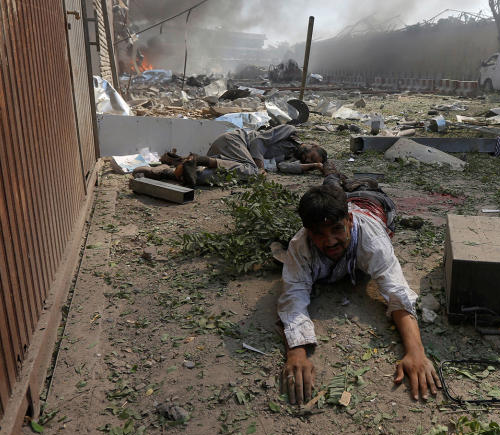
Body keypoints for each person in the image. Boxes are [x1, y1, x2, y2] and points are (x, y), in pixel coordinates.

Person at [277, 177, 439, 404]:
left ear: (350, 221)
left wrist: (416, 352)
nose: (330, 241)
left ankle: (352, 183)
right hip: (349, 203)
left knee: (365, 188)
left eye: (336, 230)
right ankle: (337, 181)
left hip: (374, 204)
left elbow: (396, 292)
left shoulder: (372, 240)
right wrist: (296, 352)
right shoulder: (300, 244)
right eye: (319, 234)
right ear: (307, 232)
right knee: (335, 186)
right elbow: (293, 295)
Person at [133, 124, 328, 185]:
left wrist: (314, 167)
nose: (306, 158)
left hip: (226, 157)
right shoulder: (289, 131)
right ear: (313, 145)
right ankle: (198, 160)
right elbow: (256, 141)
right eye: (311, 156)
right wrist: (259, 166)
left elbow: (283, 167)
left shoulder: (290, 157)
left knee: (225, 177)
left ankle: (168, 171)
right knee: (251, 171)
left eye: (309, 161)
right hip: (234, 141)